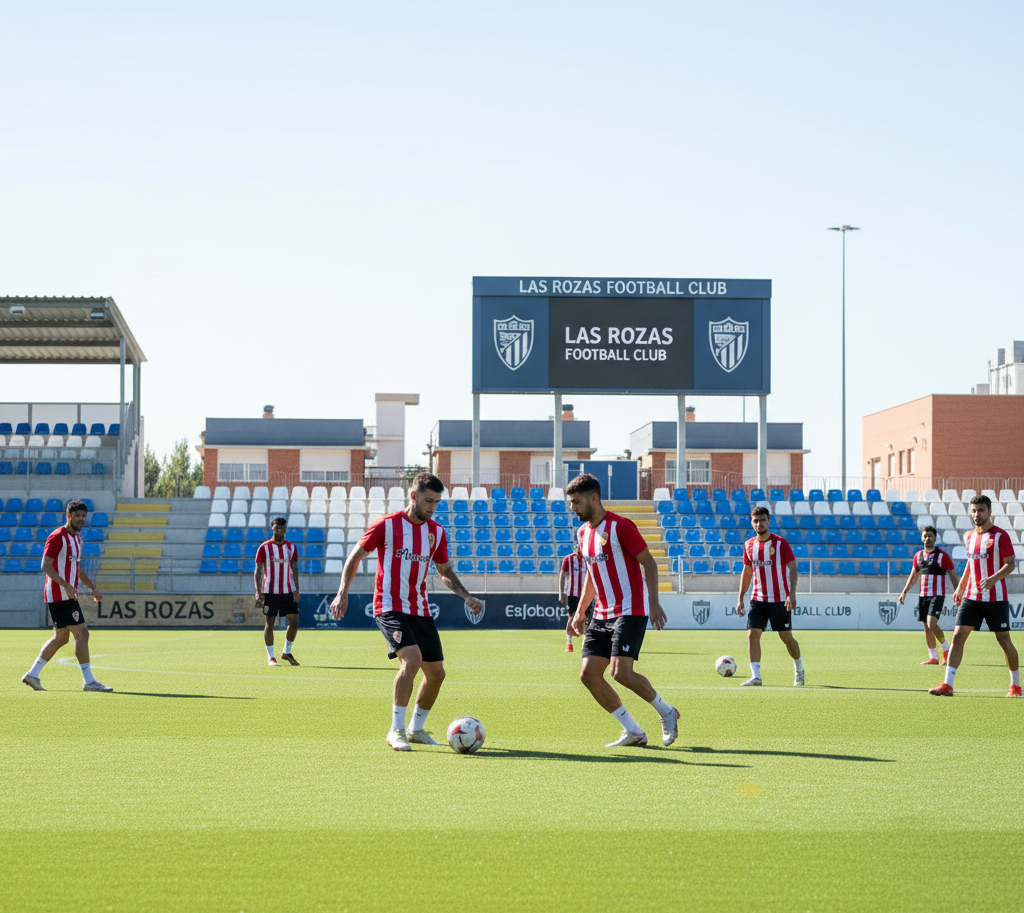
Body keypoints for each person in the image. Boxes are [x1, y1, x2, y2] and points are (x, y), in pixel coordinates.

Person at [330, 472, 483, 750]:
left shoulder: (437, 532)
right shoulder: (387, 525)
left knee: (436, 674)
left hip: (420, 608)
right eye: (428, 501)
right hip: (389, 605)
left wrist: (466, 596)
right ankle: (395, 730)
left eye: (436, 502)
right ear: (413, 496)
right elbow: (355, 556)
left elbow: (444, 571)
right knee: (412, 660)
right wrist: (343, 592)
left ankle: (416, 729)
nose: (432, 508)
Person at [565, 473, 679, 749]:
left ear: (593, 498)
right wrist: (580, 612)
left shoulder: (621, 526)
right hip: (601, 613)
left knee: (621, 673)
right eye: (571, 502)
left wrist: (654, 603)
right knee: (588, 675)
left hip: (630, 609)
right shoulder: (582, 533)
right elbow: (593, 575)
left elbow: (649, 563)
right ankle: (633, 731)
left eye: (576, 502)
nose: (572, 508)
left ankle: (666, 712)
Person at [929, 495, 1020, 697]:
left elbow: (1010, 564)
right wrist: (960, 588)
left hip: (995, 598)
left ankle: (1016, 686)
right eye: (974, 511)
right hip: (972, 597)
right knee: (958, 636)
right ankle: (947, 685)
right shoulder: (968, 536)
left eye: (981, 510)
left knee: (1004, 640)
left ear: (989, 512)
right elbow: (971, 564)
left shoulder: (1000, 536)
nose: (977, 514)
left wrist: (994, 578)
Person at [22, 500, 112, 692]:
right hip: (59, 594)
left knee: (61, 638)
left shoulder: (78, 539)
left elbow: (76, 568)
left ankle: (32, 675)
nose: (81, 519)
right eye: (77, 515)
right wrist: (66, 586)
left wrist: (92, 588)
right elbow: (45, 565)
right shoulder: (57, 536)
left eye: (84, 516)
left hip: (67, 594)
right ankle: (89, 681)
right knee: (82, 633)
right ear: (68, 516)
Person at [736, 505, 804, 687]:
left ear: (768, 521)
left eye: (763, 520)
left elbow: (793, 567)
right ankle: (756, 676)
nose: (759, 524)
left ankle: (799, 669)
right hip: (757, 599)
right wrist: (740, 598)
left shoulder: (780, 543)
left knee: (786, 637)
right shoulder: (748, 545)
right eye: (756, 521)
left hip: (780, 599)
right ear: (752, 523)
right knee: (753, 634)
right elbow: (747, 571)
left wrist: (792, 594)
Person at [897, 525, 957, 665]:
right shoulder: (918, 556)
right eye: (925, 536)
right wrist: (904, 591)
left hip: (937, 595)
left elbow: (953, 576)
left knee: (932, 623)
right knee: (926, 627)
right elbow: (913, 576)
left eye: (930, 535)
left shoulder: (942, 556)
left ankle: (947, 650)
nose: (927, 538)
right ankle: (933, 657)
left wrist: (958, 592)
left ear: (935, 538)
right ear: (921, 538)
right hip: (923, 595)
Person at [255, 517, 300, 666]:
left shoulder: (292, 547)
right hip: (270, 591)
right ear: (272, 528)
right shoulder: (264, 547)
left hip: (288, 590)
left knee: (294, 621)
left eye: (281, 528)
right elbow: (258, 571)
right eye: (276, 528)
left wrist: (297, 589)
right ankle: (271, 657)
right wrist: (258, 591)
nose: (279, 531)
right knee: (270, 623)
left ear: (285, 529)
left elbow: (295, 569)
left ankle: (286, 652)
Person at [558, 539, 588, 652]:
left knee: (587, 619)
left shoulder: (588, 559)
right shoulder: (568, 559)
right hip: (572, 594)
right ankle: (569, 644)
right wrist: (561, 593)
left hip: (586, 594)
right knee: (571, 618)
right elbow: (562, 576)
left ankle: (585, 644)